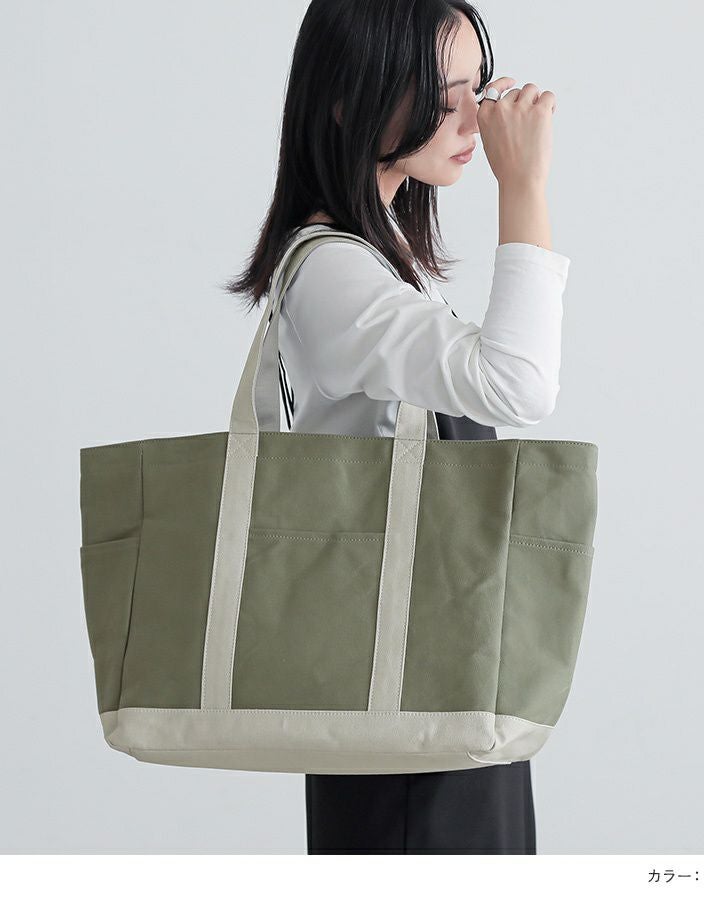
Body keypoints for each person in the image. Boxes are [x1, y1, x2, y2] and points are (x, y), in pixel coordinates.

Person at [225, 0, 570, 854]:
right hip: (406, 706)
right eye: (441, 95)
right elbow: (517, 384)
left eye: (475, 90)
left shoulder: (379, 262)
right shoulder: (334, 273)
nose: (472, 120)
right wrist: (524, 188)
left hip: (437, 680)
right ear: (349, 100)